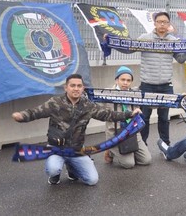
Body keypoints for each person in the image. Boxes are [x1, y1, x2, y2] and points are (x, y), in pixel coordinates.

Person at [11, 74, 142, 185]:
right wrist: (22, 116)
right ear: (66, 87)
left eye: (79, 86)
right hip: (56, 148)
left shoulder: (88, 105)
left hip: (77, 149)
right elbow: (35, 112)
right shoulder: (55, 102)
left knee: (92, 180)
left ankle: (72, 168)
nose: (76, 89)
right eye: (72, 85)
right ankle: (55, 175)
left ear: (83, 88)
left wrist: (129, 114)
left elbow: (108, 115)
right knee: (53, 168)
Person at [138, 11, 186, 146]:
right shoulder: (144, 38)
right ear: (155, 23)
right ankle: (142, 146)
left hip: (166, 85)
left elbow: (180, 59)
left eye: (165, 22)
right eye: (159, 21)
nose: (162, 24)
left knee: (164, 118)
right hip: (147, 84)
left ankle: (165, 144)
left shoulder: (173, 41)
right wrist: (110, 39)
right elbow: (126, 48)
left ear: (169, 24)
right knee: (144, 117)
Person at [103, 66, 152, 168]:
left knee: (146, 160)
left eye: (128, 80)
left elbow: (155, 100)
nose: (125, 83)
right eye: (123, 80)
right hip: (116, 134)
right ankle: (110, 150)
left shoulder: (136, 93)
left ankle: (130, 152)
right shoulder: (106, 94)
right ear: (117, 80)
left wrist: (178, 99)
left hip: (133, 133)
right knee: (129, 164)